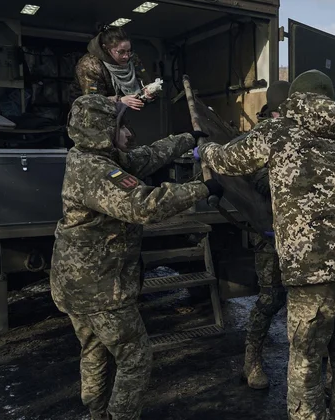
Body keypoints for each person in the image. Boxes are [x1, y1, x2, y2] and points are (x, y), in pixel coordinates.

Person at [197, 70, 335, 420]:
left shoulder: (277, 132)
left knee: (307, 367)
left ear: (295, 99)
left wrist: (203, 148)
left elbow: (226, 160)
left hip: (313, 269)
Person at [50, 95, 221, 420]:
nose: (127, 132)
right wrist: (200, 189)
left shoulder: (92, 156)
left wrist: (188, 139)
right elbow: (142, 206)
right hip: (99, 288)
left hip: (77, 285)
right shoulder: (94, 170)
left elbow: (144, 157)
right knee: (135, 355)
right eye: (120, 125)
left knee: (94, 350)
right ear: (101, 129)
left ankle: (96, 413)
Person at [242, 80, 290, 390]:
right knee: (271, 298)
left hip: (302, 235)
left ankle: (321, 365)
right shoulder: (255, 139)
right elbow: (258, 179)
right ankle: (252, 361)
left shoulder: (298, 136)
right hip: (270, 232)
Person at [75, 25, 154, 110]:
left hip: (122, 115)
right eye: (121, 52)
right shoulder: (90, 65)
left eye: (128, 51)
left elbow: (144, 83)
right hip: (89, 114)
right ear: (106, 49)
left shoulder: (132, 59)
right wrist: (119, 100)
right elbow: (92, 100)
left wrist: (147, 93)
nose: (126, 56)